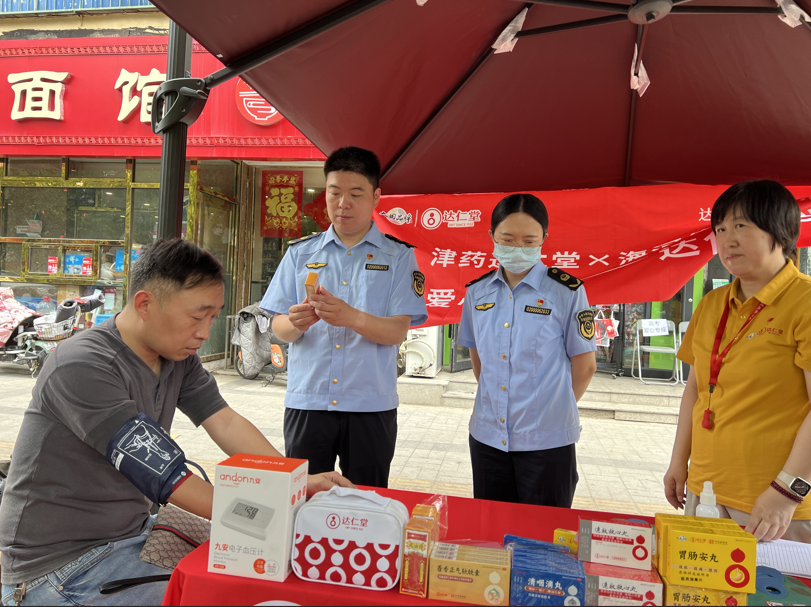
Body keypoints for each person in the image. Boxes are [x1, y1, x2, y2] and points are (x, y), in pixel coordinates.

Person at [0, 239, 351, 607]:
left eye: (213, 317)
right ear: (145, 304)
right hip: (60, 565)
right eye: (197, 317)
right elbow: (168, 477)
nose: (205, 332)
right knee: (223, 595)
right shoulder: (83, 364)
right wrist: (273, 510)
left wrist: (294, 481)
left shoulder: (176, 357)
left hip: (134, 533)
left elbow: (225, 421)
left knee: (260, 572)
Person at [261, 146, 428, 488]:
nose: (343, 204)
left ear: (376, 197)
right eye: (334, 193)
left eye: (356, 194)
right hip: (308, 400)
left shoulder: (398, 257)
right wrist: (295, 322)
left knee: (365, 500)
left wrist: (351, 317)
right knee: (303, 499)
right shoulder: (300, 253)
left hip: (370, 405)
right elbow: (278, 328)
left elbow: (397, 332)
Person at [663, 180, 811, 543]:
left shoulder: (804, 301)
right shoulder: (712, 303)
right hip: (706, 491)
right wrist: (679, 461)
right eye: (721, 229)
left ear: (781, 231)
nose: (727, 240)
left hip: (774, 506)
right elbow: (696, 389)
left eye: (741, 226)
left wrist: (787, 491)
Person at [458, 193, 597, 507]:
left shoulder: (566, 292)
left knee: (543, 532)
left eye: (529, 240)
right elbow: (479, 360)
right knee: (492, 528)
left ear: (544, 239)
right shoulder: (477, 292)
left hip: (547, 443)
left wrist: (548, 408)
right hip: (488, 439)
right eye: (508, 239)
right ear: (492, 236)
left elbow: (585, 366)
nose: (518, 248)